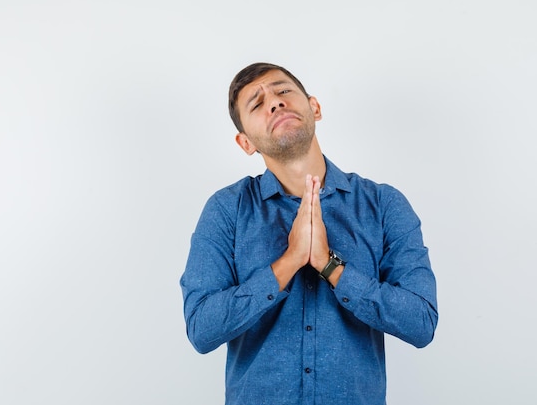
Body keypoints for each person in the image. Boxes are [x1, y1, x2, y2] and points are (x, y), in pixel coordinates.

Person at [180, 62, 438, 405]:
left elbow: (421, 322)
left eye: (283, 90)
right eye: (257, 104)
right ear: (245, 143)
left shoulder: (383, 204)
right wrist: (288, 263)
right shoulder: (227, 210)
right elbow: (201, 328)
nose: (274, 102)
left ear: (314, 107)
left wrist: (329, 266)